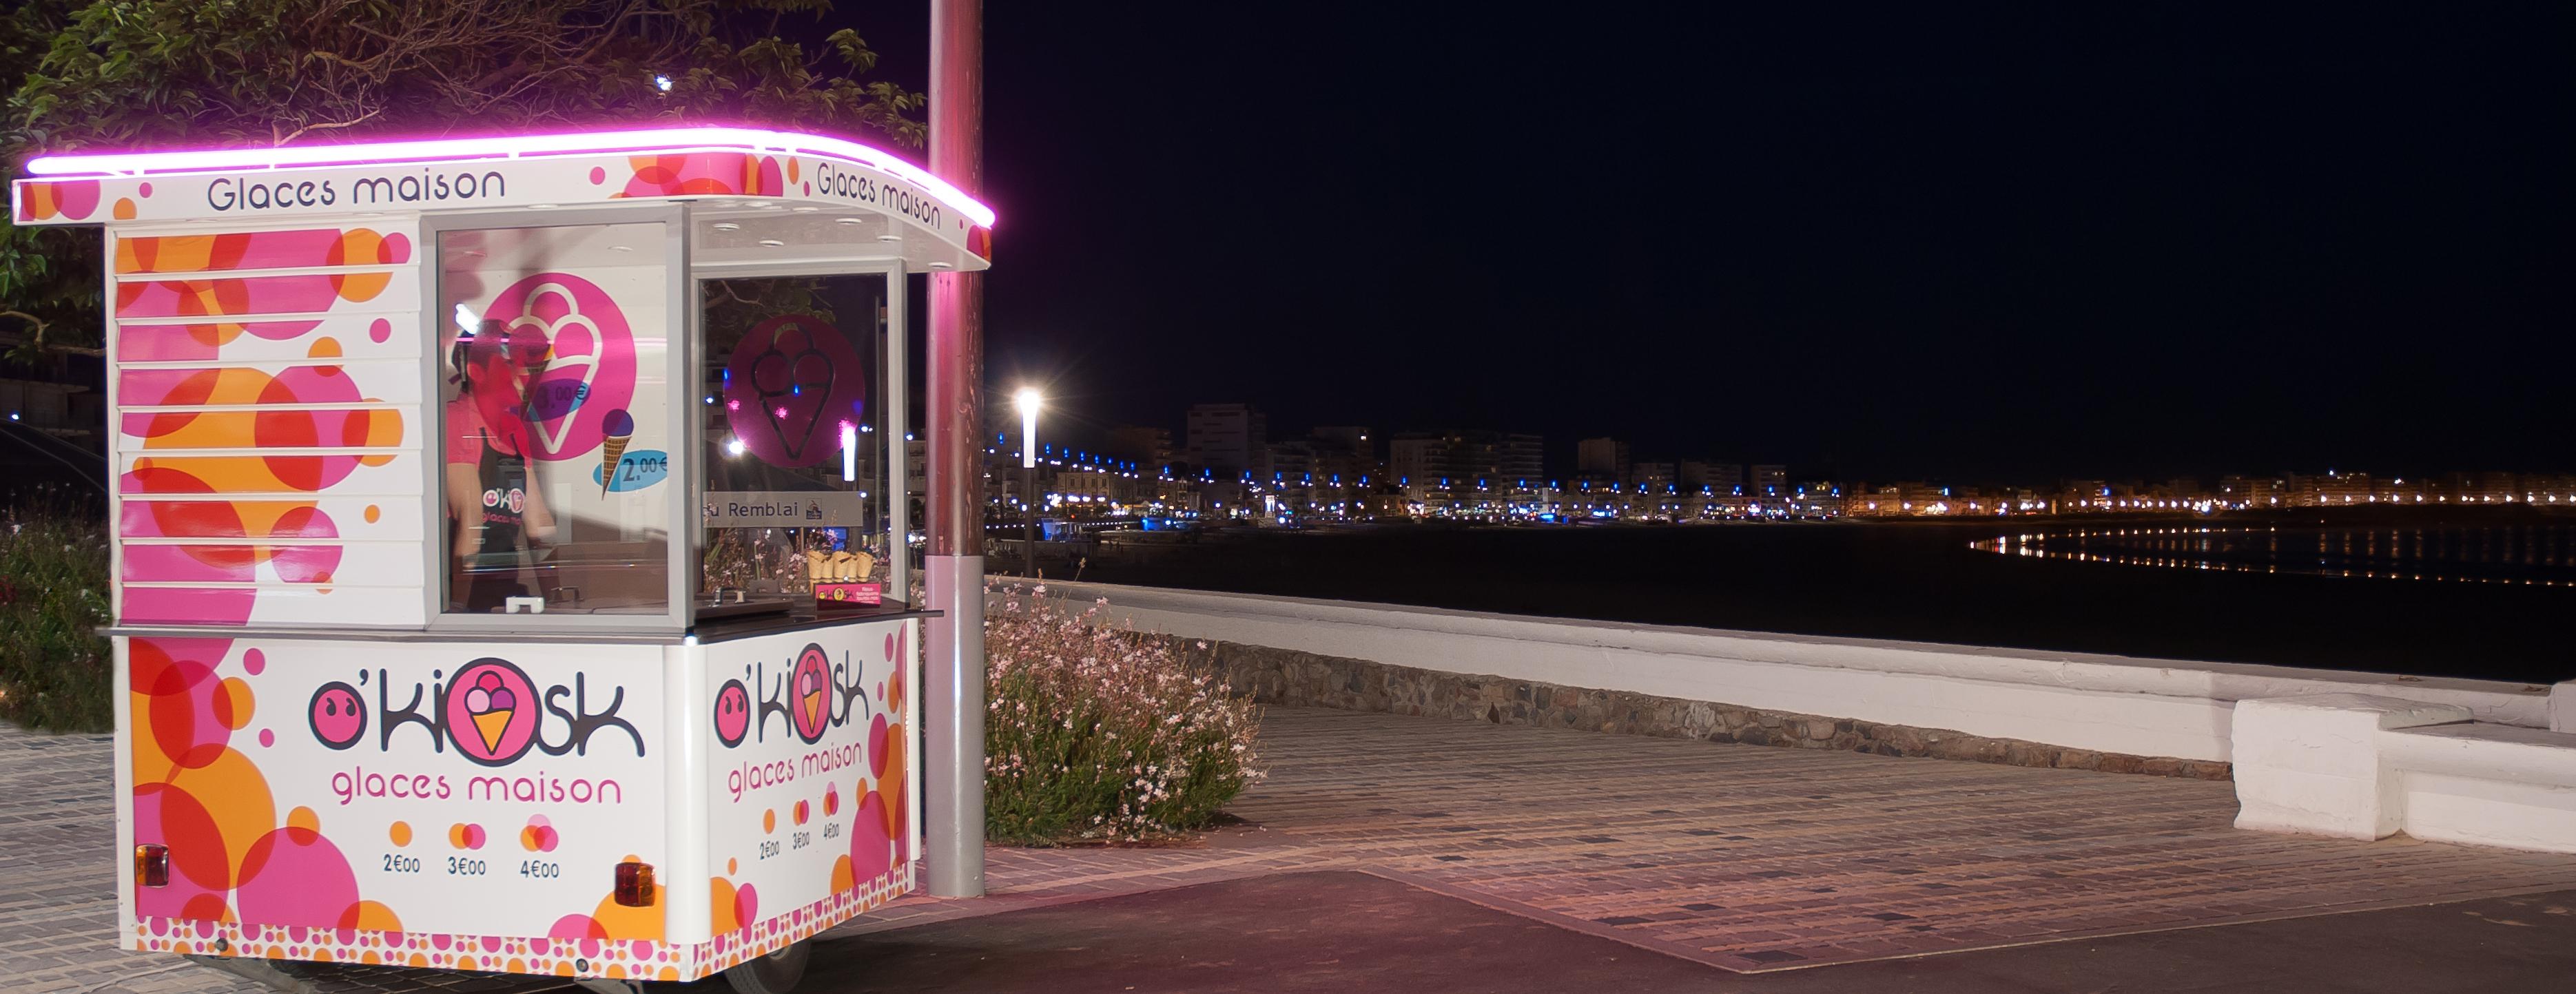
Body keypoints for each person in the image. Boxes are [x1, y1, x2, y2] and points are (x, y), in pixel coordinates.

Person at [446, 318, 557, 612]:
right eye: (510, 366)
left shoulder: (514, 431)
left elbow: (538, 523)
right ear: (477, 373)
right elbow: (471, 518)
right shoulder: (458, 420)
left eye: (526, 368)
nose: (523, 376)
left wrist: (558, 599)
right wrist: (457, 608)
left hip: (504, 598)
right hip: (465, 596)